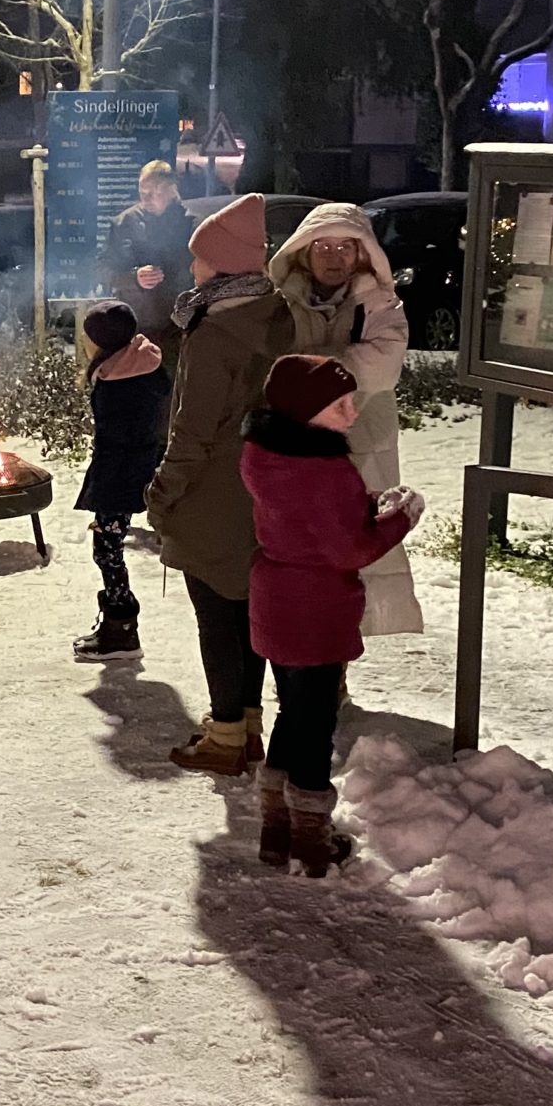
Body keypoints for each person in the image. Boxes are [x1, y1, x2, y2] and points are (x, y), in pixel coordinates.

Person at [240, 354, 423, 874]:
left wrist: (364, 504)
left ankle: (275, 830)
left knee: (291, 713)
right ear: (305, 412)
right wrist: (401, 519)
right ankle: (311, 842)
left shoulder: (266, 454)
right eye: (339, 405)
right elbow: (350, 550)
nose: (352, 412)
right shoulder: (326, 470)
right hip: (315, 609)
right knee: (316, 725)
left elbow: (309, 514)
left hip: (276, 598)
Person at [144, 191, 285, 773]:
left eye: (200, 257)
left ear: (222, 264)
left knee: (216, 615)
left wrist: (161, 495)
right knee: (250, 609)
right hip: (267, 487)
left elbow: (192, 431)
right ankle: (247, 724)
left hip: (214, 494)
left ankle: (225, 736)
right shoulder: (278, 314)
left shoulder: (214, 332)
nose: (192, 266)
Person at [265, 201, 424, 637]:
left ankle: (337, 650)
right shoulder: (279, 301)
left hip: (362, 435)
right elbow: (265, 360)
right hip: (295, 443)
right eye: (323, 246)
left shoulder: (380, 302)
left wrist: (307, 370)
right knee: (300, 544)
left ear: (362, 252)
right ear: (304, 250)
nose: (333, 257)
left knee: (353, 542)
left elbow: (383, 364)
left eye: (345, 247)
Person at [71, 298, 171, 662]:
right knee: (108, 546)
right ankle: (119, 625)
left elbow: (115, 438)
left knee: (107, 550)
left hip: (120, 474)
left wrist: (103, 489)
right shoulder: (142, 363)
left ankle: (122, 630)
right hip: (137, 465)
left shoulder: (116, 380)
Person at [100, 159, 192, 351]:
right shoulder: (124, 223)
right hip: (138, 328)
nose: (146, 199)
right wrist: (134, 278)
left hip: (181, 328)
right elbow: (103, 271)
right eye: (142, 193)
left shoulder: (191, 223)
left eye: (154, 193)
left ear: (171, 190)